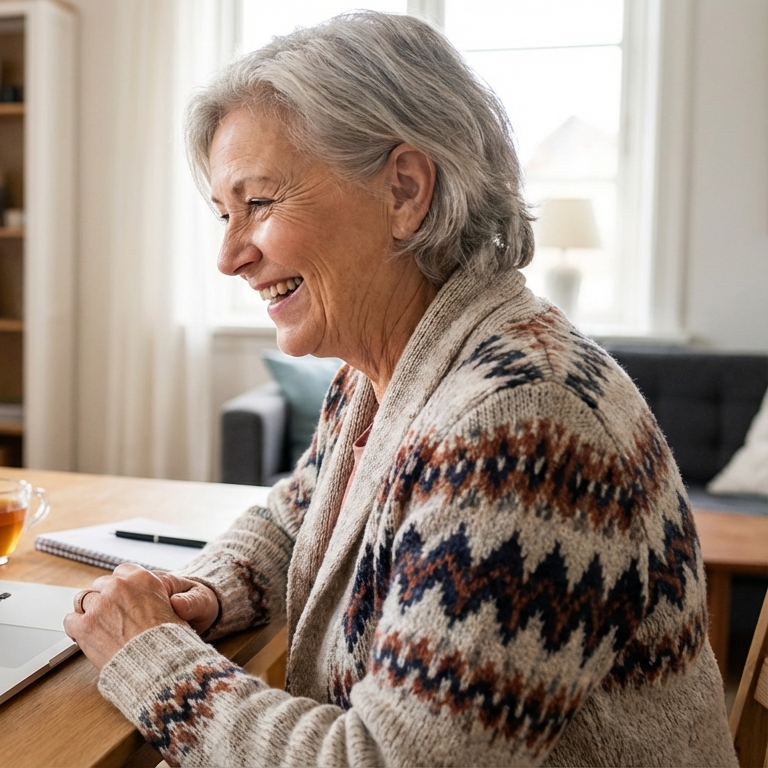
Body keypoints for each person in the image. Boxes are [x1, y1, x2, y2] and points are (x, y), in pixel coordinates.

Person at [61, 12, 735, 767]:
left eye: (259, 203)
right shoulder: (392, 368)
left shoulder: (520, 426)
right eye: (224, 213)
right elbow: (302, 513)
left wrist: (153, 659)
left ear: (405, 190)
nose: (229, 256)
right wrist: (208, 593)